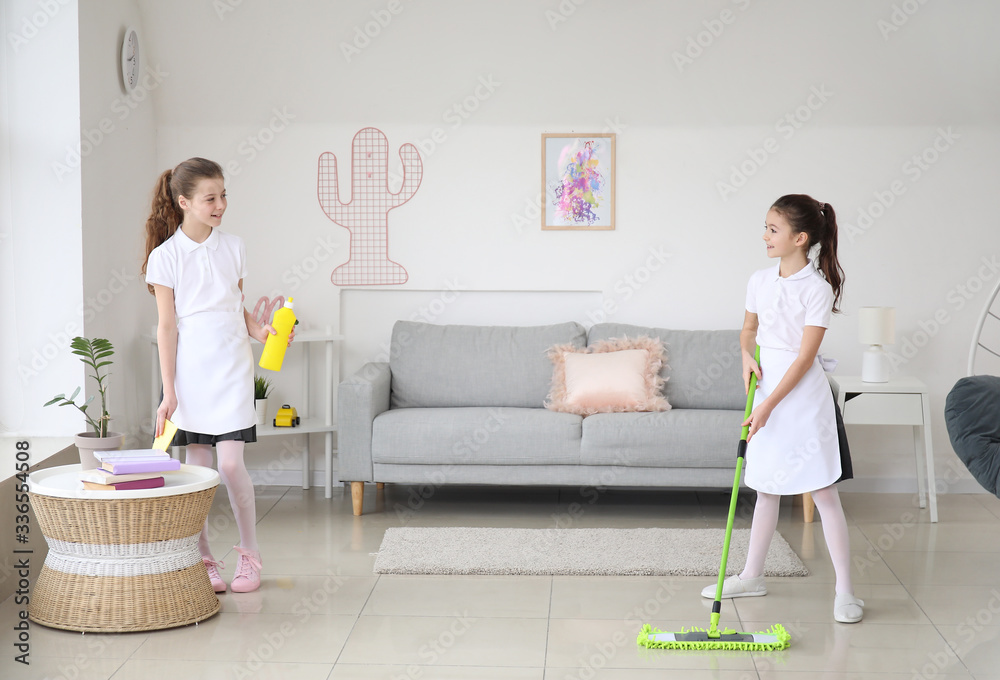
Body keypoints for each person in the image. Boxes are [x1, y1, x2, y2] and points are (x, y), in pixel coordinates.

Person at [701, 194, 863, 623]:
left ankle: (845, 591)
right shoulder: (759, 279)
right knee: (766, 487)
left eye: (773, 229)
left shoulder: (817, 289)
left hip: (801, 399)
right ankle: (752, 574)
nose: (765, 235)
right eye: (766, 227)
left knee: (823, 492)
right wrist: (745, 354)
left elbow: (805, 359)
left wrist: (769, 404)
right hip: (766, 389)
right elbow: (749, 328)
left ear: (800, 238)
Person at [141, 157, 291, 594]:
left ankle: (249, 554)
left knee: (229, 464)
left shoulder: (235, 247)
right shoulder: (164, 257)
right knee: (199, 471)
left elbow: (233, 304)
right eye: (211, 198)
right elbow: (167, 327)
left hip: (232, 368)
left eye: (223, 195)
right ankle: (204, 559)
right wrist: (169, 395)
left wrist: (261, 330)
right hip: (191, 374)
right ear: (185, 201)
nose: (221, 204)